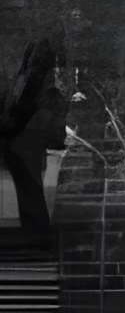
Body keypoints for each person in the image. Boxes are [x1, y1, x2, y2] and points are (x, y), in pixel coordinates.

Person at [0, 38, 62, 241]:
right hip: (25, 137)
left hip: (23, 137)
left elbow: (23, 104)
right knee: (30, 187)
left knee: (29, 187)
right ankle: (36, 232)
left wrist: (9, 128)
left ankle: (37, 232)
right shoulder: (35, 77)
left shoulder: (32, 78)